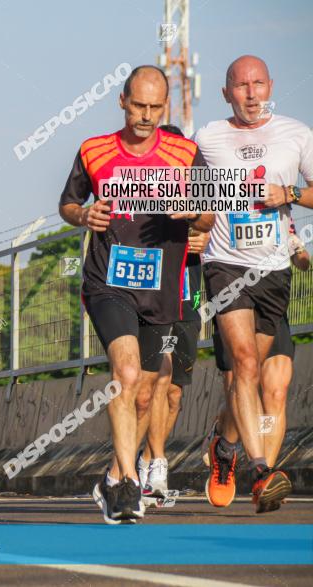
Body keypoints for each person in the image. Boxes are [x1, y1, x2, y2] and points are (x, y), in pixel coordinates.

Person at [58, 66, 214, 523]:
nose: (146, 116)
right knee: (125, 372)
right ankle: (127, 484)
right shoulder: (94, 150)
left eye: (155, 107)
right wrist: (84, 216)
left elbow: (207, 218)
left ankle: (109, 479)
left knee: (147, 395)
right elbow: (67, 203)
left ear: (164, 106)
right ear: (122, 101)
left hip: (162, 287)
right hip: (108, 280)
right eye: (139, 105)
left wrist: (189, 212)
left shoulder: (186, 154)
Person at [195, 55, 313, 513]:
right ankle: (261, 471)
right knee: (244, 364)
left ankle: (224, 447)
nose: (250, 92)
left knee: (255, 375)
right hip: (223, 262)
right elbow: (184, 187)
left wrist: (288, 194)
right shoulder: (206, 137)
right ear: (226, 92)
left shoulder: (297, 134)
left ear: (270, 86)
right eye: (240, 85)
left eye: (258, 83)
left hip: (273, 269)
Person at [204, 218, 311, 505]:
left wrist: (299, 251)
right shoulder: (219, 182)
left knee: (276, 390)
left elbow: (299, 254)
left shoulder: (272, 200)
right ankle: (224, 449)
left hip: (270, 297)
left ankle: (266, 478)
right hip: (231, 292)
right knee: (239, 384)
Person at [136, 125, 208, 502]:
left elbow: (214, 226)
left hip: (187, 299)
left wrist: (202, 234)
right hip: (151, 300)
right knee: (153, 383)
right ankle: (151, 466)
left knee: (176, 392)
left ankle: (148, 459)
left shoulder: (196, 189)